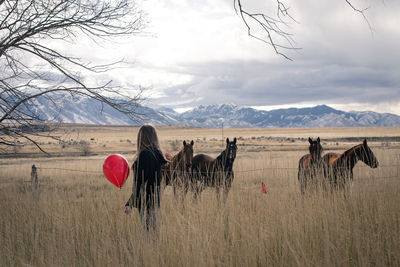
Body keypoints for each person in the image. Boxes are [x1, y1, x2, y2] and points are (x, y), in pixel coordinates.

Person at [124, 124, 167, 232]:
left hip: (144, 201)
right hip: (154, 200)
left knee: (148, 233)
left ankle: (151, 249)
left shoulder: (144, 155)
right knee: (154, 231)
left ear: (141, 138)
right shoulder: (158, 154)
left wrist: (129, 203)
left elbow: (140, 183)